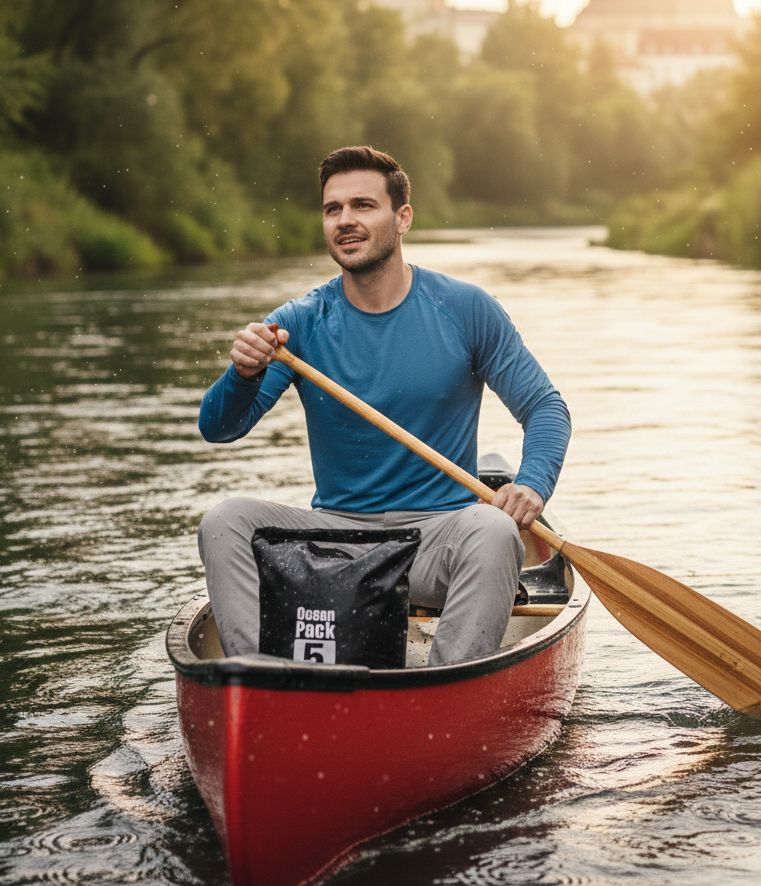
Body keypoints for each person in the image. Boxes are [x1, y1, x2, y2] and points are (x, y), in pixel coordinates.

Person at [197, 146, 570, 666]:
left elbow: (545, 407)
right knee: (224, 521)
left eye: (363, 205)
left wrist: (531, 484)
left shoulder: (464, 310)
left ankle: (446, 687)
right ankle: (260, 678)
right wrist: (242, 374)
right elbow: (219, 428)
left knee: (494, 529)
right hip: (334, 541)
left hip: (437, 540)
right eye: (333, 209)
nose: (345, 220)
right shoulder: (299, 323)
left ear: (402, 218)